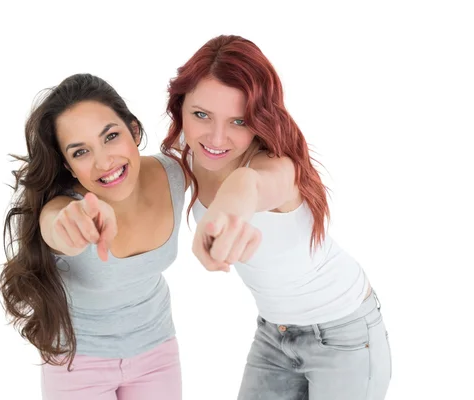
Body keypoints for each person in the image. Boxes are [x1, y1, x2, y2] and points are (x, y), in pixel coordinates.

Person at [161, 34, 392, 400]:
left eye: (238, 121)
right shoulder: (186, 160)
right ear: (180, 106)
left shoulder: (276, 167)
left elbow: (249, 185)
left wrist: (226, 209)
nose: (216, 137)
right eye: (201, 115)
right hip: (274, 333)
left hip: (345, 332)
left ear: (259, 120)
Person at [0, 73, 186, 400]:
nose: (104, 162)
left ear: (134, 130)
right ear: (69, 167)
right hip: (77, 364)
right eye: (80, 152)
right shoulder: (66, 207)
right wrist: (68, 225)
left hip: (156, 351)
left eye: (111, 136)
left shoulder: (173, 174)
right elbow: (55, 221)